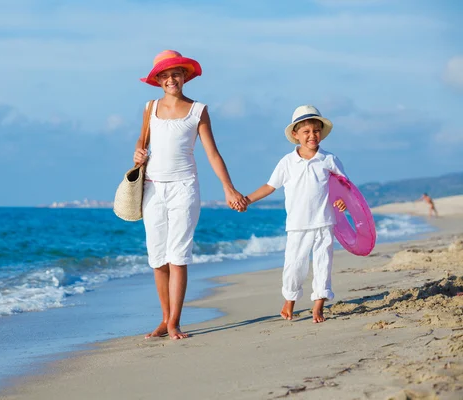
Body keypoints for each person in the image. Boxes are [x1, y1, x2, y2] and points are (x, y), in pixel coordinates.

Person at [133, 50, 248, 339]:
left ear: (185, 76)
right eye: (165, 75)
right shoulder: (150, 108)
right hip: (152, 188)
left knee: (177, 256)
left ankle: (174, 322)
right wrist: (137, 153)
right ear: (158, 79)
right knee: (157, 258)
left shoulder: (199, 110)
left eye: (176, 73)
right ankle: (163, 319)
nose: (171, 79)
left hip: (184, 187)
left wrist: (228, 187)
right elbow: (142, 142)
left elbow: (212, 153)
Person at [243, 105, 347, 323]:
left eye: (316, 131)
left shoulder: (330, 160)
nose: (312, 136)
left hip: (324, 221)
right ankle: (289, 299)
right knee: (294, 265)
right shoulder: (287, 162)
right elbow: (270, 186)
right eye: (306, 131)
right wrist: (247, 199)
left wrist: (342, 202)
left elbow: (345, 188)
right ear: (295, 134)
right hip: (297, 224)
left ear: (322, 132)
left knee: (323, 265)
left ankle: (318, 306)